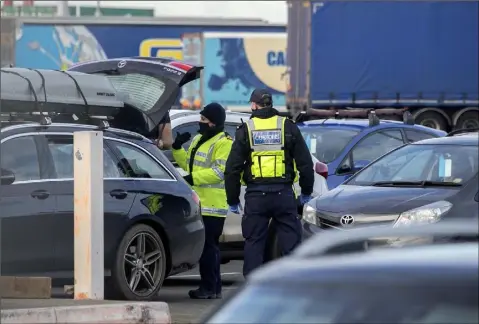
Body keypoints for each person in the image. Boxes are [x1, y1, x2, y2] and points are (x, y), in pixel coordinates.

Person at [224, 89, 314, 277]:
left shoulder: (246, 129)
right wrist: (306, 191)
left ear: (254, 105)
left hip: (256, 196)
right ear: (270, 104)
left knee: (254, 242)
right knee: (291, 242)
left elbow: (232, 168)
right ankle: (294, 284)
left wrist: (232, 199)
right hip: (284, 194)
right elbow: (305, 163)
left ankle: (253, 288)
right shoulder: (287, 126)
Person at [172, 102, 233, 299]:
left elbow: (219, 172)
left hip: (214, 205)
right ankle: (213, 288)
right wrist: (177, 148)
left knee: (209, 248)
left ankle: (209, 288)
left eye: (204, 120)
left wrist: (193, 179)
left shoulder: (224, 143)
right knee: (207, 248)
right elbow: (189, 166)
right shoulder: (200, 138)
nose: (200, 123)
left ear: (214, 123)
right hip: (200, 203)